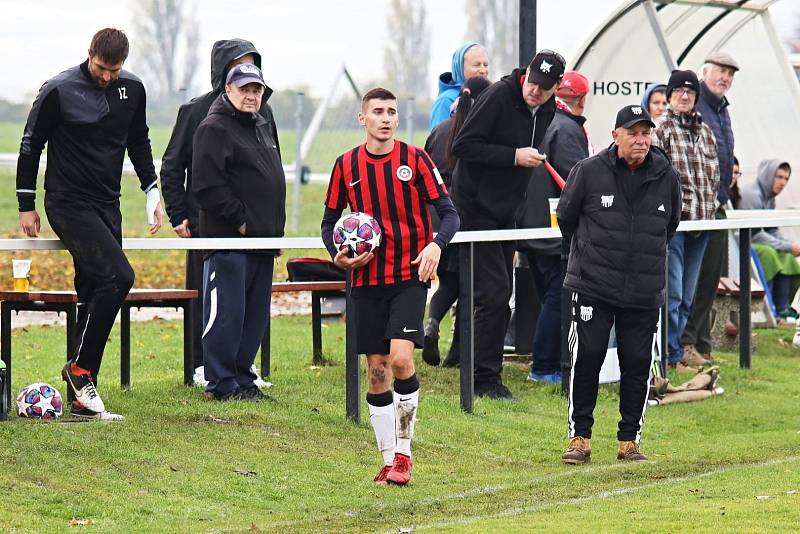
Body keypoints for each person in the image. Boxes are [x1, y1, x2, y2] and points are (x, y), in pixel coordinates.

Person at [16, 28, 164, 421]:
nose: (107, 77)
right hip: (67, 202)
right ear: (90, 55)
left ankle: (82, 399)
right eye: (101, 68)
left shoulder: (132, 89)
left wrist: (152, 190)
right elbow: (31, 144)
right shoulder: (59, 89)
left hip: (107, 203)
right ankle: (80, 369)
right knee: (119, 277)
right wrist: (26, 203)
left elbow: (139, 140)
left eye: (114, 70)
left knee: (93, 287)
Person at [320, 88, 459, 485]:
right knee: (378, 371)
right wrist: (338, 254)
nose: (385, 117)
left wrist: (435, 244)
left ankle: (404, 454)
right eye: (377, 111)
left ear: (397, 120)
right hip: (366, 280)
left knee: (400, 361)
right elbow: (329, 223)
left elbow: (449, 215)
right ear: (362, 119)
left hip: (408, 276)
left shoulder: (415, 160)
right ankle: (385, 460)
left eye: (391, 112)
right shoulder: (346, 165)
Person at [557, 104, 681, 465]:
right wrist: (586, 257)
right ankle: (579, 438)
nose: (641, 140)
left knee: (638, 362)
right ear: (616, 136)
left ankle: (629, 441)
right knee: (588, 359)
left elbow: (669, 224)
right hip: (593, 285)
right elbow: (567, 218)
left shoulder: (665, 175)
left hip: (644, 289)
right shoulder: (589, 171)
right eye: (633, 133)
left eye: (646, 133)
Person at [451, 49, 564, 400]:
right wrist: (514, 157)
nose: (535, 91)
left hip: (507, 211)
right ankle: (483, 379)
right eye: (532, 82)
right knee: (495, 293)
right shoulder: (499, 95)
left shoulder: (546, 109)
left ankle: (476, 365)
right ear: (526, 73)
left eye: (544, 88)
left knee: (499, 293)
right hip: (476, 208)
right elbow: (463, 146)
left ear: (555, 87)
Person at [160, 38, 273, 389]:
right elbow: (173, 165)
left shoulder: (263, 113)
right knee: (208, 297)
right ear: (223, 73)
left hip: (257, 231)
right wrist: (179, 214)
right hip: (207, 224)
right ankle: (201, 365)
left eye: (252, 64)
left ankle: (242, 368)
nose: (247, 75)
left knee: (245, 301)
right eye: (238, 64)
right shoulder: (198, 113)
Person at [192, 63, 285, 401]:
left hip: (263, 242)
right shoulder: (213, 127)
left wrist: (274, 231)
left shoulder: (262, 124)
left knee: (254, 317)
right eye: (244, 88)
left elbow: (272, 179)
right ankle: (221, 383)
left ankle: (245, 379)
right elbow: (205, 186)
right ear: (228, 90)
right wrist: (241, 221)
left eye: (256, 89)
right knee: (227, 315)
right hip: (230, 242)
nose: (250, 95)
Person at [518, 70, 593, 385]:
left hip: (530, 226)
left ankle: (544, 362)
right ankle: (546, 366)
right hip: (553, 229)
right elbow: (577, 181)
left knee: (548, 294)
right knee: (558, 297)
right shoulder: (567, 129)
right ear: (582, 99)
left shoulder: (540, 121)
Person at [652, 69, 719, 374]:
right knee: (673, 292)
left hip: (702, 225)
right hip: (675, 225)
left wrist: (712, 204)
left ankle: (676, 352)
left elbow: (714, 173)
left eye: (690, 92)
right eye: (678, 91)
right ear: (669, 95)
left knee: (688, 294)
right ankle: (669, 355)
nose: (684, 96)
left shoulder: (705, 132)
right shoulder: (661, 128)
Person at [422, 76, 492, 368]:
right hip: (467, 217)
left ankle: (432, 321)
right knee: (470, 287)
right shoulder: (479, 135)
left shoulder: (438, 131)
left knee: (448, 282)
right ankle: (457, 354)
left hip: (438, 219)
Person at [681, 52, 739, 365]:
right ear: (706, 72)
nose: (725, 78)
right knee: (692, 278)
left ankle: (700, 343)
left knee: (709, 279)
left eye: (730, 74)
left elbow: (723, 153)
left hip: (718, 204)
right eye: (721, 71)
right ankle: (686, 344)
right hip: (695, 209)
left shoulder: (722, 110)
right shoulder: (697, 104)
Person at [740, 160, 800, 319]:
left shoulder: (769, 197)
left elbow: (771, 229)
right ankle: (770, 308)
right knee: (770, 254)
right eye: (779, 177)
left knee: (788, 257)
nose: (783, 183)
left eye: (786, 178)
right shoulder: (752, 194)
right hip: (742, 242)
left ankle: (782, 308)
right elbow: (754, 233)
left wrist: (789, 245)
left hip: (755, 239)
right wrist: (786, 245)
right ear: (768, 175)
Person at [429, 42, 489, 129]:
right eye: (477, 65)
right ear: (460, 67)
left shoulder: (489, 97)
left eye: (485, 65)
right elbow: (438, 139)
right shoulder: (446, 100)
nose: (483, 70)